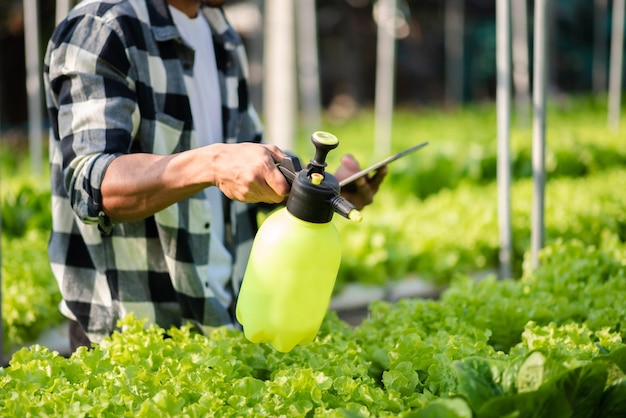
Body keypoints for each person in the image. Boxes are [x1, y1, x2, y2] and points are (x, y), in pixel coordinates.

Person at [44, 0, 387, 352]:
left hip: (223, 317)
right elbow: (92, 184)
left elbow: (250, 178)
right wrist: (211, 164)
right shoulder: (102, 27)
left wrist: (315, 193)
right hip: (130, 335)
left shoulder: (219, 31)